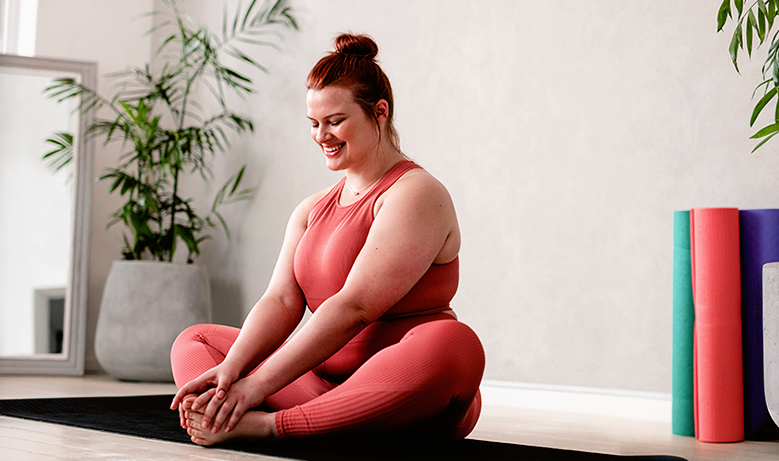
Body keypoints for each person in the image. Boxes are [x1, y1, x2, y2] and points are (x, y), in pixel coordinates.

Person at [169, 33, 485, 446]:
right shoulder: (311, 207)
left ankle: (268, 424)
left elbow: (353, 307)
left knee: (453, 344)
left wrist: (256, 386)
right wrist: (233, 369)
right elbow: (281, 301)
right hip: (316, 383)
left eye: (335, 121)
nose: (322, 135)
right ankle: (308, 418)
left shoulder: (416, 193)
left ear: (380, 112)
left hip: (404, 386)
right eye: (314, 124)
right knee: (196, 341)